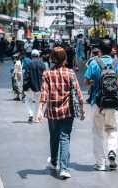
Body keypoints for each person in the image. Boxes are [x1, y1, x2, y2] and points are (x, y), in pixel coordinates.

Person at [36, 47, 84, 179]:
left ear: (52, 58)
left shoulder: (47, 74)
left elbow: (44, 93)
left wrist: (40, 110)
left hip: (52, 112)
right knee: (65, 137)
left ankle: (53, 161)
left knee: (54, 136)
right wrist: (82, 109)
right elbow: (79, 93)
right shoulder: (70, 73)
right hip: (68, 112)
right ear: (65, 59)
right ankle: (64, 169)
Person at [84, 39, 118, 171]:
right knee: (112, 129)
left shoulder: (94, 63)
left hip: (97, 102)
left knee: (97, 132)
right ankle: (112, 151)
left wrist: (94, 84)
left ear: (99, 50)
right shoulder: (117, 64)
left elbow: (86, 81)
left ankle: (100, 163)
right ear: (112, 49)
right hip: (112, 103)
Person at [23, 49, 45, 122]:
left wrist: (25, 87)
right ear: (38, 56)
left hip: (30, 87)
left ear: (31, 56)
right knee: (38, 103)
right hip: (39, 87)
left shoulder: (29, 64)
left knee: (27, 100)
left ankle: (31, 114)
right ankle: (36, 118)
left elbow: (26, 76)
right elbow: (45, 77)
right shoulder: (42, 64)